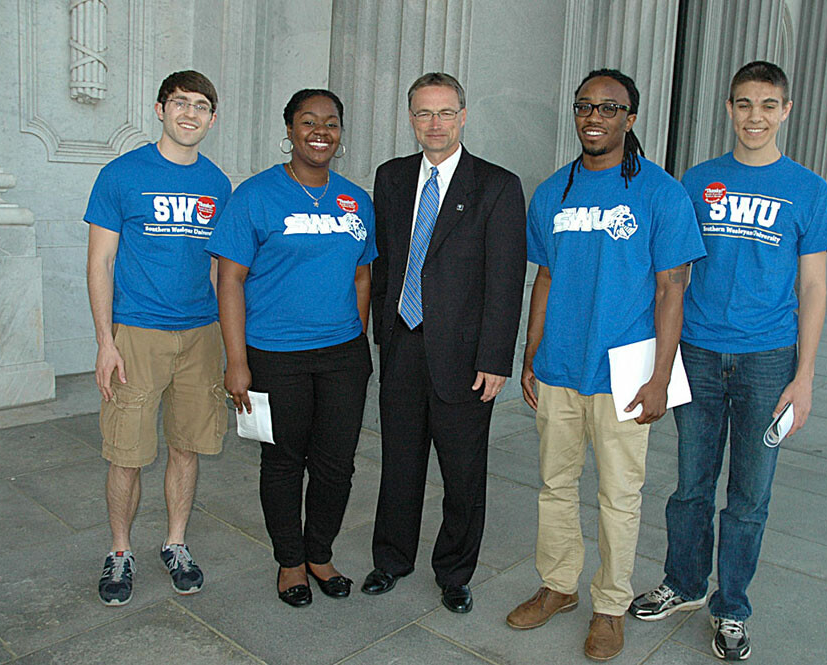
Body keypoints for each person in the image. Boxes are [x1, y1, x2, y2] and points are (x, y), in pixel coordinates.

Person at [629, 61, 827, 661]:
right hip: (697, 352)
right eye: (745, 104)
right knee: (690, 485)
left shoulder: (808, 190)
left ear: (786, 111)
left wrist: (804, 378)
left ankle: (732, 607)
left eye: (768, 105)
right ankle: (685, 585)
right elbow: (670, 272)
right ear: (729, 109)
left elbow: (812, 289)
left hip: (769, 361)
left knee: (749, 495)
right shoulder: (697, 182)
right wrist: (658, 358)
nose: (756, 116)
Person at [505, 68, 705, 661]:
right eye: (585, 106)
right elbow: (543, 276)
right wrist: (530, 351)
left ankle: (610, 604)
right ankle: (558, 586)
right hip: (561, 366)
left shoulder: (660, 193)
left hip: (626, 372)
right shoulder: (552, 191)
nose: (594, 117)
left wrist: (661, 377)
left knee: (620, 496)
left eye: (609, 108)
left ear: (631, 118)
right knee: (555, 486)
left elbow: (673, 289)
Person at [363, 72, 526, 613]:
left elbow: (505, 280)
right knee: (399, 463)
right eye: (424, 114)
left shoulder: (498, 185)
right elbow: (385, 262)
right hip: (403, 343)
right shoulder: (390, 178)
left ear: (463, 117)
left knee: (462, 471)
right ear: (411, 119)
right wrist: (378, 333)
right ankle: (390, 560)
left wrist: (496, 358)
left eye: (445, 113)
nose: (435, 124)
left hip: (465, 354)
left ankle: (455, 573)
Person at [205, 89, 375, 609]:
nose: (320, 131)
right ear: (290, 129)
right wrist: (237, 361)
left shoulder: (356, 199)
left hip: (342, 355)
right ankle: (290, 561)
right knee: (283, 462)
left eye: (331, 122)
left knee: (337, 464)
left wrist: (354, 337)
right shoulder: (255, 196)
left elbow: (362, 274)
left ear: (341, 133)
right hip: (274, 355)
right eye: (308, 121)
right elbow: (229, 279)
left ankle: (320, 553)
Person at [85, 70, 231, 606]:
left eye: (200, 106)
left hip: (199, 335)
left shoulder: (218, 184)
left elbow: (220, 271)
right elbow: (100, 261)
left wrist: (226, 345)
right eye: (180, 103)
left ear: (212, 119)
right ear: (159, 109)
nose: (190, 114)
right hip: (137, 335)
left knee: (187, 447)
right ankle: (120, 551)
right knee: (126, 452)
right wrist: (106, 340)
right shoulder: (122, 175)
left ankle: (175, 543)